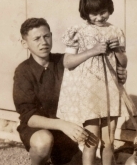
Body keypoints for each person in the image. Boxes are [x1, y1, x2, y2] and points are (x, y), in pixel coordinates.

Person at [13, 18, 127, 165]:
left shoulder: (65, 61)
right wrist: (62, 124)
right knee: (43, 142)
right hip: (39, 129)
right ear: (24, 43)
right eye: (36, 39)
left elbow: (94, 73)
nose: (44, 42)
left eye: (47, 36)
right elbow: (29, 117)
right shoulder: (23, 71)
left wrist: (119, 74)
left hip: (66, 132)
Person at [56, 0, 129, 165]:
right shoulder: (78, 32)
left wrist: (117, 50)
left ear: (109, 8)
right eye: (93, 14)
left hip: (110, 90)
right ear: (86, 13)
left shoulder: (116, 31)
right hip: (89, 93)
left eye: (103, 12)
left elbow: (124, 62)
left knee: (109, 141)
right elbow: (67, 62)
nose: (99, 17)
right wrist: (93, 50)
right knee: (91, 140)